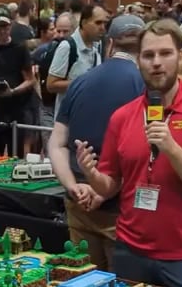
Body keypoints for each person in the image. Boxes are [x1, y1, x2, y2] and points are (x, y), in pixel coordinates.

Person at [75, 19, 182, 287]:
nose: (156, 62)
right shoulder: (123, 116)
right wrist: (92, 174)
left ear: (179, 57)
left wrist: (171, 148)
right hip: (129, 252)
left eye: (165, 53)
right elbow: (109, 187)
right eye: (148, 55)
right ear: (139, 61)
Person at [49, 14, 145, 270]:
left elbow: (57, 144)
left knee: (84, 281)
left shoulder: (80, 81)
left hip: (78, 201)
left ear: (110, 44)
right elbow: (145, 156)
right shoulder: (146, 87)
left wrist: (73, 186)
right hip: (121, 209)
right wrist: (103, 192)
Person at [0, 4, 36, 156]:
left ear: (11, 25)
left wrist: (13, 91)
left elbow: (30, 80)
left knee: (15, 158)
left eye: (5, 26)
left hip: (17, 112)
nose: (2, 31)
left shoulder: (20, 49)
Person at [47, 3, 109, 114]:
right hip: (68, 118)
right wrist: (86, 82)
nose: (102, 28)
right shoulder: (67, 47)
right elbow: (51, 85)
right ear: (84, 23)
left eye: (105, 23)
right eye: (98, 23)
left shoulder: (97, 47)